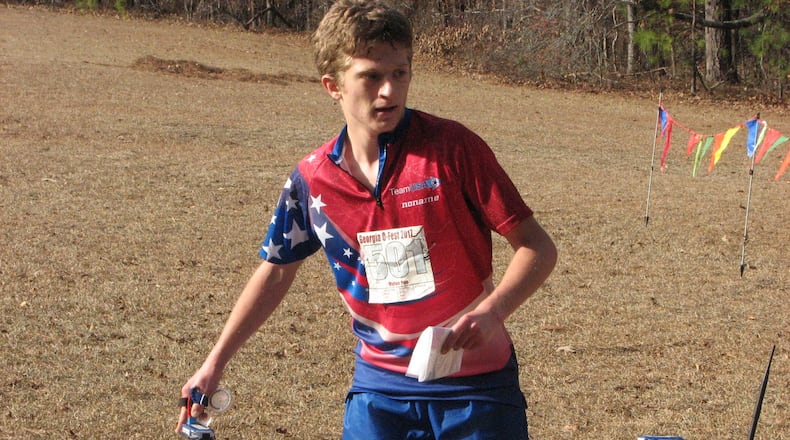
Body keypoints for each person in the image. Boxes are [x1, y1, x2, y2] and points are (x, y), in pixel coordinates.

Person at [176, 0, 557, 438]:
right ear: (332, 85)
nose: (389, 91)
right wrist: (213, 364)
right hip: (380, 395)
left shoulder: (452, 149)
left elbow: (537, 246)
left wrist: (492, 312)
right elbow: (275, 274)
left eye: (400, 73)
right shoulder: (312, 179)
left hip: (478, 392)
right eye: (371, 76)